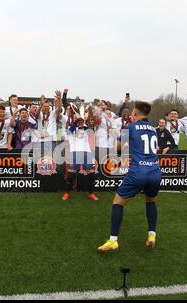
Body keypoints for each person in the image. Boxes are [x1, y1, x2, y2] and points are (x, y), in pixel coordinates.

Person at [98, 101, 162, 252]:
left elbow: (117, 148)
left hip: (138, 171)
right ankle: (152, 235)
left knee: (118, 202)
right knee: (151, 200)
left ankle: (113, 240)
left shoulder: (130, 127)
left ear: (135, 113)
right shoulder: (153, 129)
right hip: (155, 171)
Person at [62, 117, 99, 201]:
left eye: (82, 122)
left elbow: (91, 128)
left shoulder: (86, 129)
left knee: (91, 175)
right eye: (79, 121)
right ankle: (66, 193)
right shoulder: (70, 129)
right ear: (75, 122)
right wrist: (75, 122)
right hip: (74, 152)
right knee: (71, 176)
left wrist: (85, 122)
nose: (81, 123)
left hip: (87, 153)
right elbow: (69, 131)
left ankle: (91, 193)